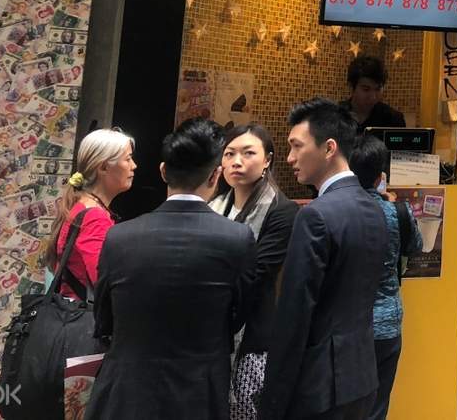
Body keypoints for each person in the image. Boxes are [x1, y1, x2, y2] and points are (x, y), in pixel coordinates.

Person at [87, 118, 256, 420]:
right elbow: (238, 316)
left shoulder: (119, 237)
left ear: (163, 171)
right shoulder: (237, 238)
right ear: (215, 175)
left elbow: (103, 321)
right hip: (199, 395)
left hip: (126, 394)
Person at [260, 99, 388, 420]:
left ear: (329, 148)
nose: (289, 158)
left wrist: (273, 399)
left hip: (317, 386)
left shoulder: (315, 216)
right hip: (361, 376)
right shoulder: (374, 208)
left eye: (296, 146)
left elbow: (295, 312)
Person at [209, 124, 300, 420]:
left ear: (267, 160)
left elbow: (258, 273)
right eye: (230, 153)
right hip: (210, 335)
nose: (237, 161)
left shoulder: (282, 210)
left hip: (252, 337)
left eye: (249, 153)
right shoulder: (213, 206)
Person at [352, 133, 422, 420]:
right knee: (378, 406)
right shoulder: (397, 212)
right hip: (388, 324)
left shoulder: (334, 211)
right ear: (381, 175)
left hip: (347, 328)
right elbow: (416, 247)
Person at [45, 128, 136, 299]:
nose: (134, 166)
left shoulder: (80, 206)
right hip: (86, 321)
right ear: (103, 167)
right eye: (128, 159)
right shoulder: (95, 217)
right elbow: (105, 284)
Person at [343, 55, 405, 130]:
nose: (373, 97)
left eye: (378, 89)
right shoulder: (334, 116)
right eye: (366, 89)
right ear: (351, 87)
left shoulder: (393, 119)